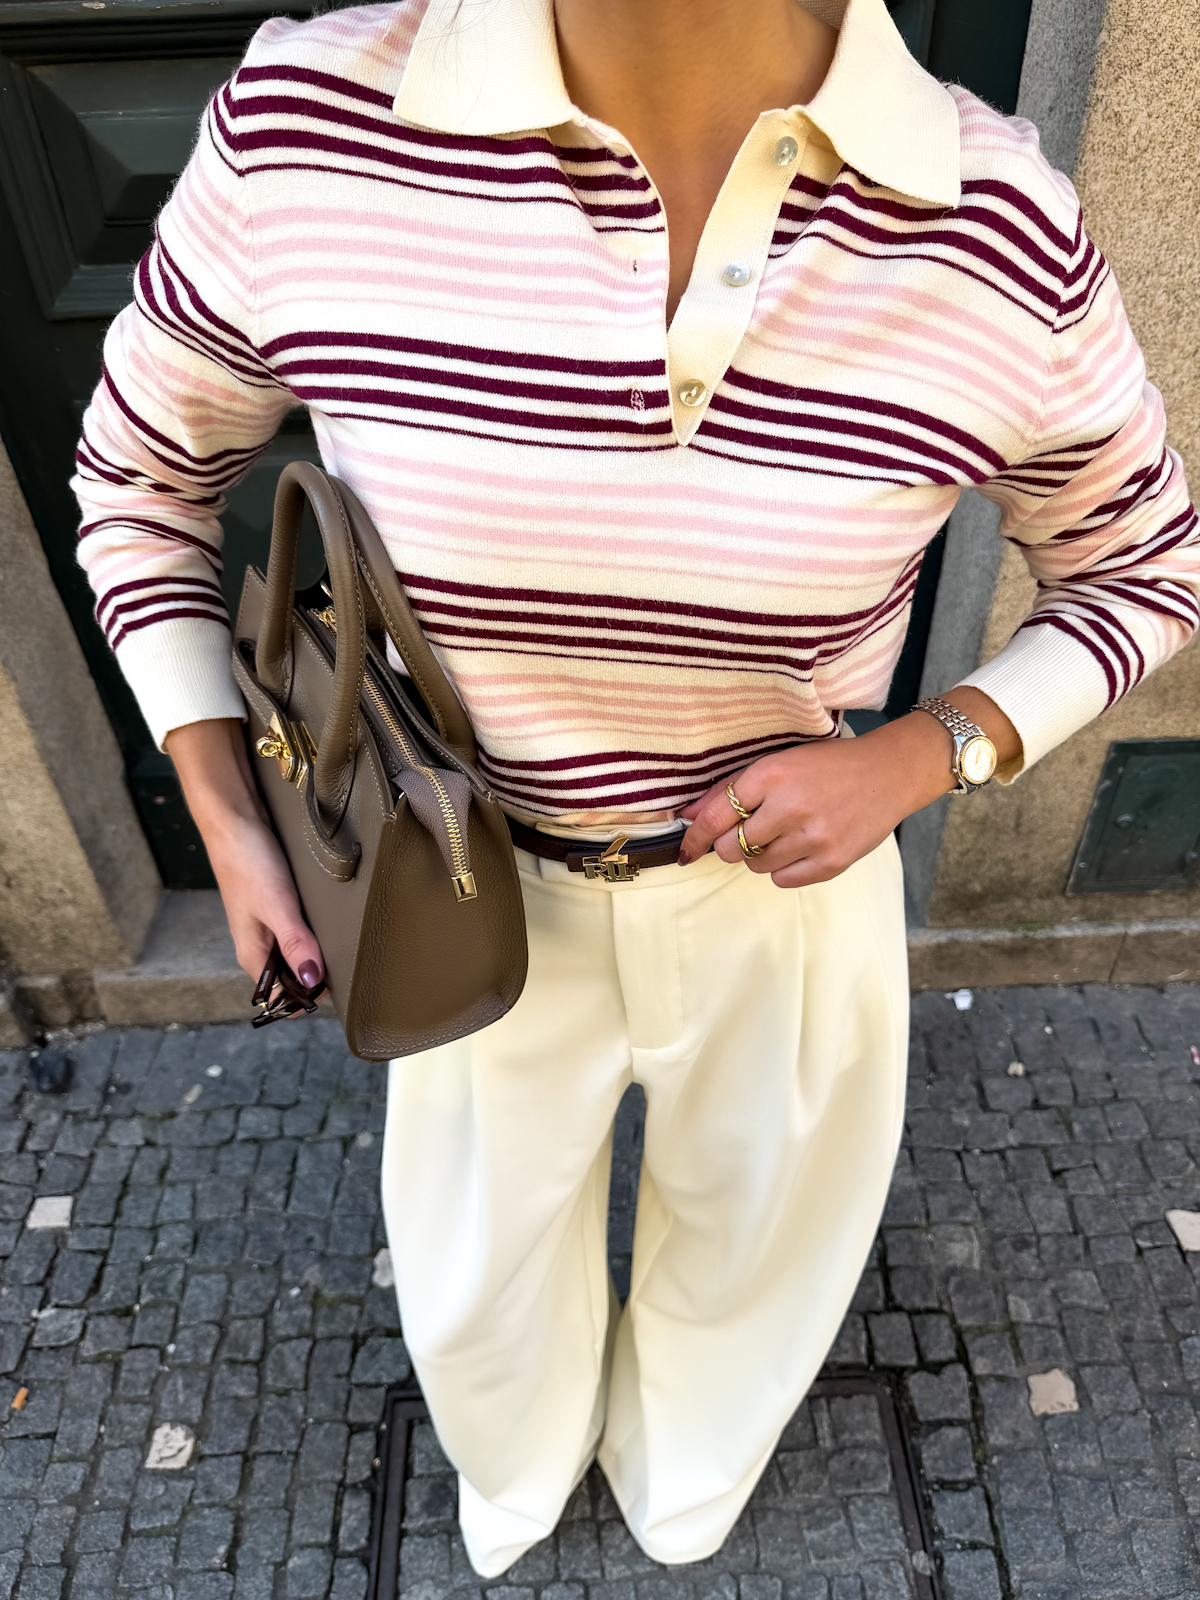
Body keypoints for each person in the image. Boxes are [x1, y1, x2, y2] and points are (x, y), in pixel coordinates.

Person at [73, 0, 1199, 1575]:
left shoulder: (992, 222)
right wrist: (224, 815)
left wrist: (916, 756)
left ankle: (688, 1473)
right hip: (464, 889)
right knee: (476, 1275)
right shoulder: (315, 128)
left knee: (760, 1248)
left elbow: (1144, 565)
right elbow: (140, 480)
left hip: (784, 900)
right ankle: (516, 1470)